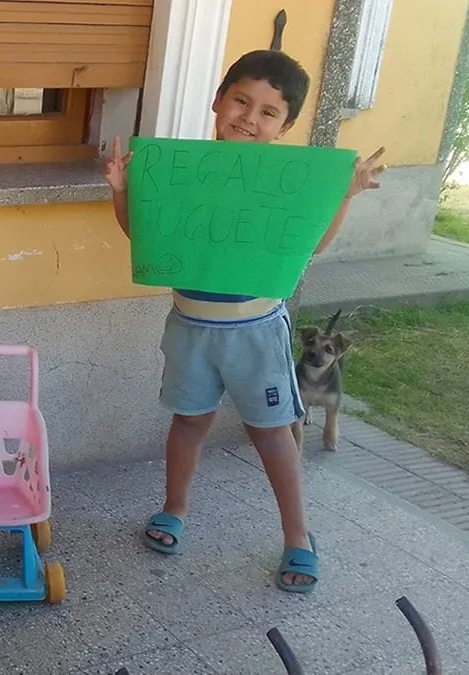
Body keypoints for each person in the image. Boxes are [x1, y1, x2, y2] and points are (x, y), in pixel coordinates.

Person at [102, 49, 387, 593]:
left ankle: (298, 537)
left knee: (272, 433)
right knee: (189, 422)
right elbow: (146, 235)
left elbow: (309, 245)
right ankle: (174, 510)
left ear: (285, 126)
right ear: (218, 99)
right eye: (240, 100)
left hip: (256, 331)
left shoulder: (286, 179)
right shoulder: (181, 171)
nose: (249, 118)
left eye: (268, 112)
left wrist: (343, 194)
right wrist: (119, 188)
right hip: (190, 327)